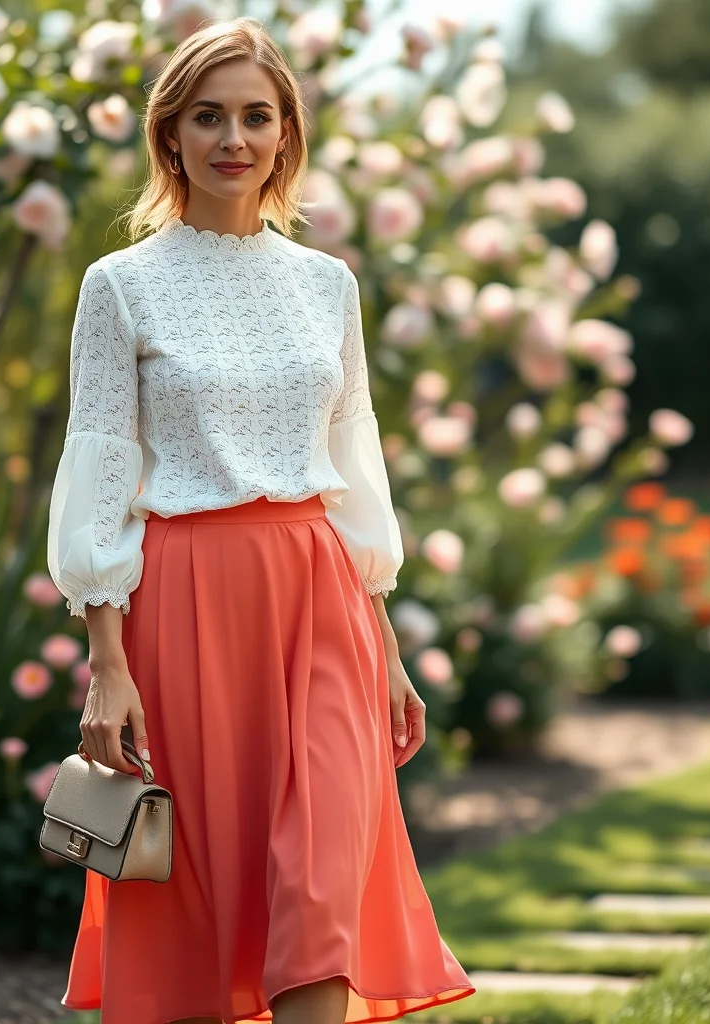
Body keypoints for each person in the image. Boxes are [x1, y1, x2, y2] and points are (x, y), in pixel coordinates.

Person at [46, 15, 475, 1024]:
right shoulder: (120, 287)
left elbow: (349, 462)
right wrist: (107, 661)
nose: (232, 138)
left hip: (321, 596)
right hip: (186, 603)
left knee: (320, 874)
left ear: (286, 134)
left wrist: (388, 646)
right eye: (208, 117)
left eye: (254, 116)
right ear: (170, 137)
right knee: (211, 893)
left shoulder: (327, 285)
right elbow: (100, 468)